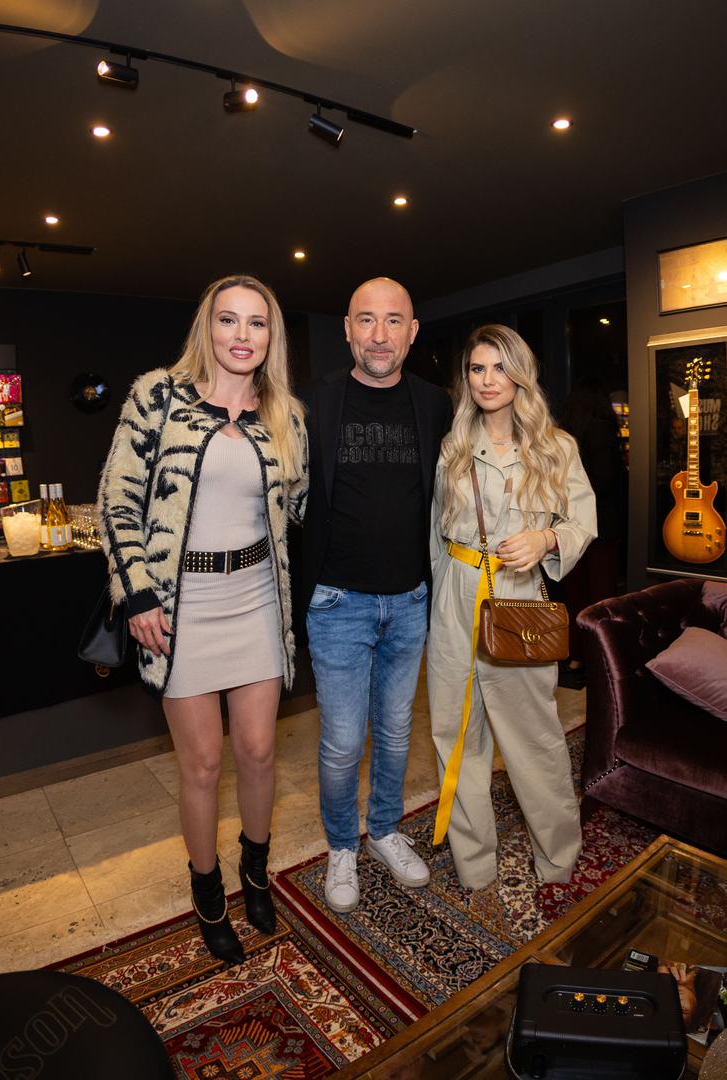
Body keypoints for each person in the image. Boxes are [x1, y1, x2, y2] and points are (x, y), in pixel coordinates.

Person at [98, 274, 308, 964]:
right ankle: (207, 890)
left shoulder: (285, 415)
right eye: (228, 320)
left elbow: (300, 505)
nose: (242, 335)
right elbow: (116, 500)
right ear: (206, 327)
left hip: (257, 601)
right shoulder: (158, 397)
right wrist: (137, 593)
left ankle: (256, 872)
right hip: (180, 608)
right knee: (202, 763)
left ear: (272, 336)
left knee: (258, 751)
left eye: (257, 323)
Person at [297, 277, 453, 913]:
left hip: (411, 601)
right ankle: (342, 845)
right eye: (366, 320)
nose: (379, 335)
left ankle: (385, 829)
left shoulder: (436, 404)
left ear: (412, 332)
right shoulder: (312, 403)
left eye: (393, 321)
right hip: (337, 604)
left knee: (394, 733)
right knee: (342, 742)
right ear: (347, 329)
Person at [428, 324, 596, 891]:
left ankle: (558, 859)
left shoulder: (556, 447)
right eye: (477, 369)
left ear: (521, 374)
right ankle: (475, 866)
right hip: (455, 597)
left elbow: (583, 522)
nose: (487, 380)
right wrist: (439, 601)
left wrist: (546, 540)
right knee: (456, 737)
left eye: (500, 367)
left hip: (518, 596)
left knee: (534, 740)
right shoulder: (453, 447)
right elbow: (434, 535)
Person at [559, 377, 627, 687]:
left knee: (576, 594)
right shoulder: (601, 430)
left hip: (573, 526)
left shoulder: (566, 435)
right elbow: (605, 480)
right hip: (601, 526)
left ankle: (576, 656)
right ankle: (601, 660)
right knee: (601, 597)